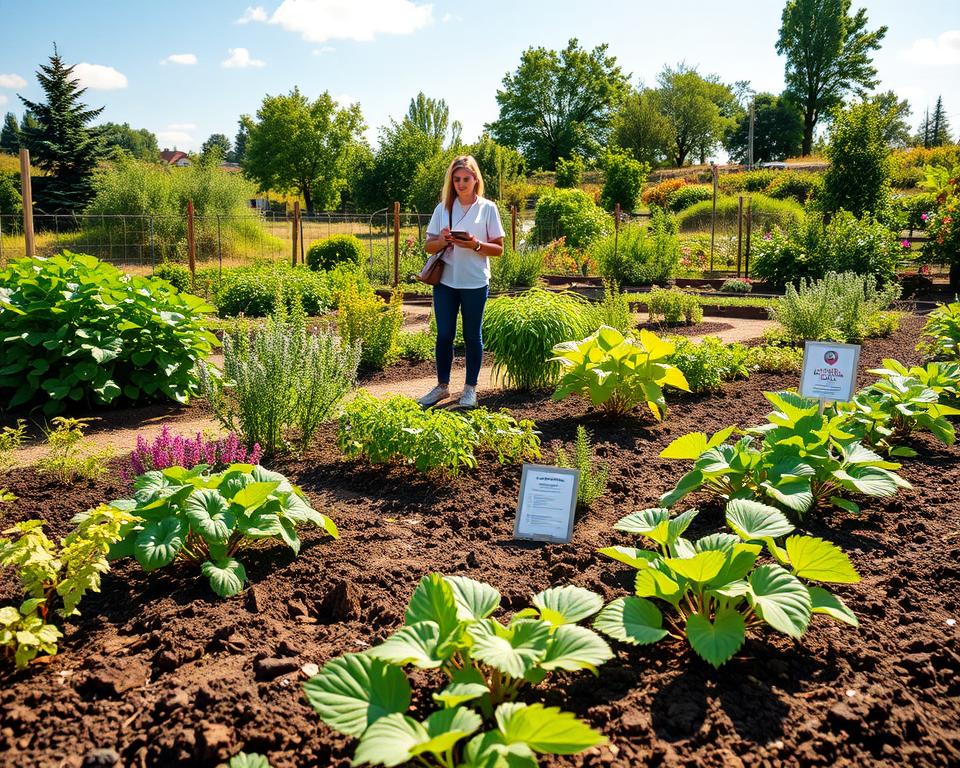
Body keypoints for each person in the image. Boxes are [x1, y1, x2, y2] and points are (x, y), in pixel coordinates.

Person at [418, 155, 504, 408]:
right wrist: (444, 240)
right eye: (456, 179)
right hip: (445, 281)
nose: (461, 184)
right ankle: (442, 387)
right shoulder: (443, 208)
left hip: (475, 282)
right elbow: (428, 246)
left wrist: (475, 244)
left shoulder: (488, 208)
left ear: (475, 179)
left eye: (466, 178)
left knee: (471, 336)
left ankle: (470, 390)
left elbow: (498, 249)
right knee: (444, 335)